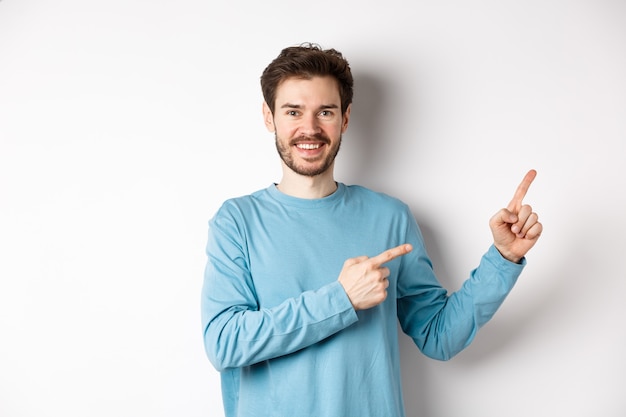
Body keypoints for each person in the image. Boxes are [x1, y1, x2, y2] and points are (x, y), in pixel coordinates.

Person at [201, 43, 542, 417]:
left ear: (345, 118)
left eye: (325, 111)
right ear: (269, 117)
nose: (309, 128)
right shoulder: (237, 221)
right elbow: (224, 343)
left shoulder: (390, 217)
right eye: (293, 111)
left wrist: (503, 258)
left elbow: (438, 336)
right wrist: (340, 299)